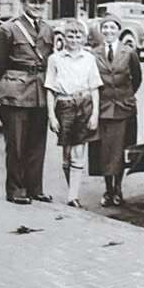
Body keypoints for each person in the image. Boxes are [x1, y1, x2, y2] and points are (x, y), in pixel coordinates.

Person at [0, 0, 55, 205]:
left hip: (40, 91)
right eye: (32, 2)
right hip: (14, 92)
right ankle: (16, 189)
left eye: (41, 3)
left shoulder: (47, 29)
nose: (37, 6)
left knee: (37, 143)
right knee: (16, 144)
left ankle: (35, 188)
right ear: (23, 3)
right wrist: (5, 87)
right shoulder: (8, 29)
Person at [45, 19, 102, 208]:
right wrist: (51, 116)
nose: (75, 39)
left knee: (79, 150)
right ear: (64, 37)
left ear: (84, 38)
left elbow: (95, 88)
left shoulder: (89, 58)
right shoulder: (55, 59)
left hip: (84, 104)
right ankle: (72, 188)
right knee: (67, 152)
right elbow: (50, 89)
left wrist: (94, 115)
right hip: (64, 105)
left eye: (79, 35)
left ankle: (72, 196)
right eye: (71, 35)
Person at [90, 12, 142, 207]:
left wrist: (124, 96)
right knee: (104, 151)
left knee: (121, 150)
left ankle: (118, 189)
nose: (109, 31)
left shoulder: (129, 53)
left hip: (123, 108)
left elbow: (136, 78)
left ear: (119, 31)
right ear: (101, 31)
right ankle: (107, 190)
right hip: (103, 108)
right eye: (105, 27)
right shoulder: (94, 53)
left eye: (113, 28)